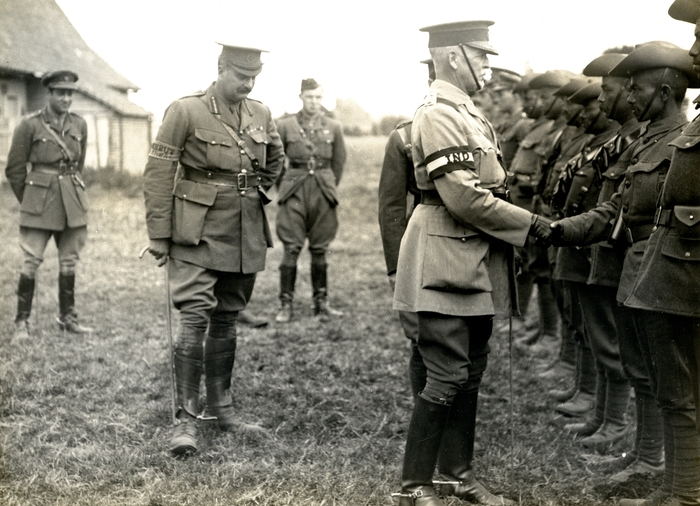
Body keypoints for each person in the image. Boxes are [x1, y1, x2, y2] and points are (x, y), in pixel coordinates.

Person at [391, 20, 551, 506]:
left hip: (472, 260)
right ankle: (414, 486)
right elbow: (463, 196)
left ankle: (458, 474)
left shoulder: (467, 113)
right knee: (445, 371)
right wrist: (534, 226)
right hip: (443, 256)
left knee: (470, 370)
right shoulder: (439, 113)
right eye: (481, 55)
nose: (487, 64)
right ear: (454, 56)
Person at [551, 41, 699, 504]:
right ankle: (660, 470)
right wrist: (547, 230)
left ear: (668, 90)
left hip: (670, 275)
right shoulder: (651, 139)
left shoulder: (680, 138)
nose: (629, 99)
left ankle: (681, 487)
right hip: (643, 272)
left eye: (638, 89)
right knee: (650, 375)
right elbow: (615, 207)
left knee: (676, 387)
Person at [143, 40, 284, 457]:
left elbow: (276, 159)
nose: (248, 84)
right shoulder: (184, 110)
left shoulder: (261, 112)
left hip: (243, 230)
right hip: (196, 230)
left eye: (254, 78)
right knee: (194, 319)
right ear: (221, 68)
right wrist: (158, 234)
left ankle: (222, 408)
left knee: (227, 319)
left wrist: (256, 190)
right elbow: (158, 172)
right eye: (241, 76)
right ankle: (185, 419)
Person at [5, 70, 92, 337]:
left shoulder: (79, 125)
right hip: (39, 200)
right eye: (61, 93)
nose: (66, 98)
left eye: (70, 93)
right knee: (31, 261)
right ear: (49, 93)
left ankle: (68, 318)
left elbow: (79, 164)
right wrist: (31, 199)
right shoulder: (29, 125)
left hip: (71, 201)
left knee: (69, 262)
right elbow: (14, 169)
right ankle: (22, 322)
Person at [274, 78, 347, 323]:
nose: (314, 102)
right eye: (309, 97)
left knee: (320, 249)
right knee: (291, 248)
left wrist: (327, 186)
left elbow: (338, 162)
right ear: (301, 97)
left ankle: (321, 303)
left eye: (317, 97)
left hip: (323, 190)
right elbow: (275, 162)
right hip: (294, 190)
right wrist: (285, 185)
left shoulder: (334, 126)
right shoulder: (284, 126)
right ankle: (285, 304)